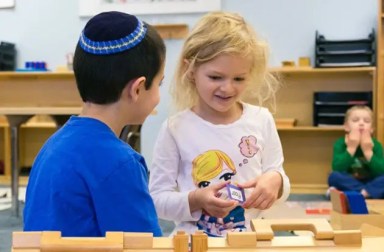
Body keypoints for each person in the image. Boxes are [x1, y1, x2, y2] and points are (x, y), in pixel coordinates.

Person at [23, 11, 166, 237]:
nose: (159, 94)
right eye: (160, 83)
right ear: (137, 89)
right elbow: (145, 245)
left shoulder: (51, 146)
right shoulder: (122, 163)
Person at [149, 11, 290, 237]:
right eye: (215, 77)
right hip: (194, 243)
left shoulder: (261, 120)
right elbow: (156, 199)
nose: (227, 88)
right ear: (191, 71)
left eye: (239, 79)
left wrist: (275, 181)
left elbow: (278, 177)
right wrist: (196, 199)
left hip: (249, 241)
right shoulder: (174, 128)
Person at [328, 105, 384, 199]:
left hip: (371, 180)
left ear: (371, 129)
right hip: (349, 180)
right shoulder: (340, 143)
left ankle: (352, 193)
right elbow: (337, 168)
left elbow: (380, 171)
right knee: (334, 176)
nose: (361, 123)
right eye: (355, 120)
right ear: (346, 127)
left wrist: (368, 152)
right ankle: (368, 192)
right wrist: (351, 148)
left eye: (366, 121)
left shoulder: (376, 145)